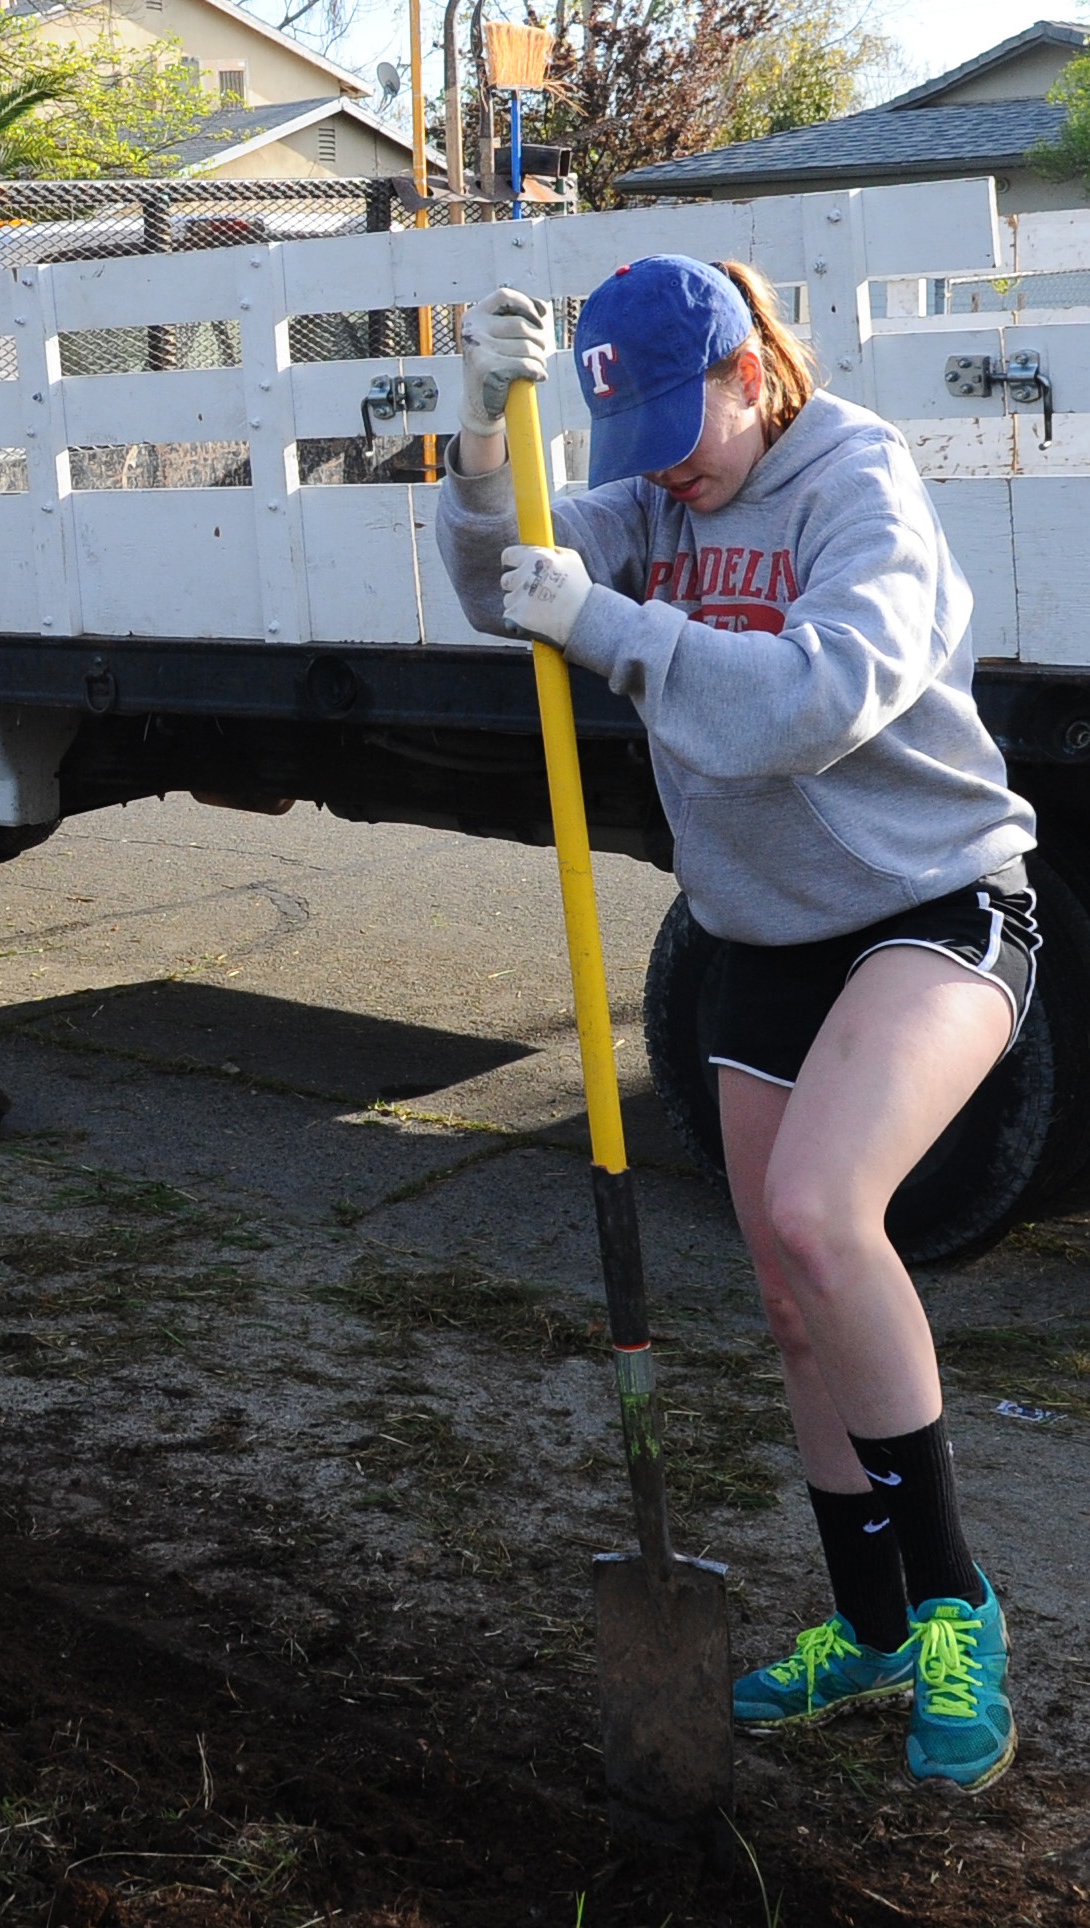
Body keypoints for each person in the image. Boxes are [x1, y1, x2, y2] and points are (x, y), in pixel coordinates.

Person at [438, 255, 1031, 1793]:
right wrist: (478, 450)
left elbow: (815, 701)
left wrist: (619, 634)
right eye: (637, 456)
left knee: (824, 1215)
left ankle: (960, 1607)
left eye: (688, 436)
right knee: (786, 1290)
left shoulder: (860, 488)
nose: (672, 482)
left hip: (930, 900)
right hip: (763, 936)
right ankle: (871, 1624)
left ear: (754, 372)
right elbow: (509, 573)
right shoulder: (662, 494)